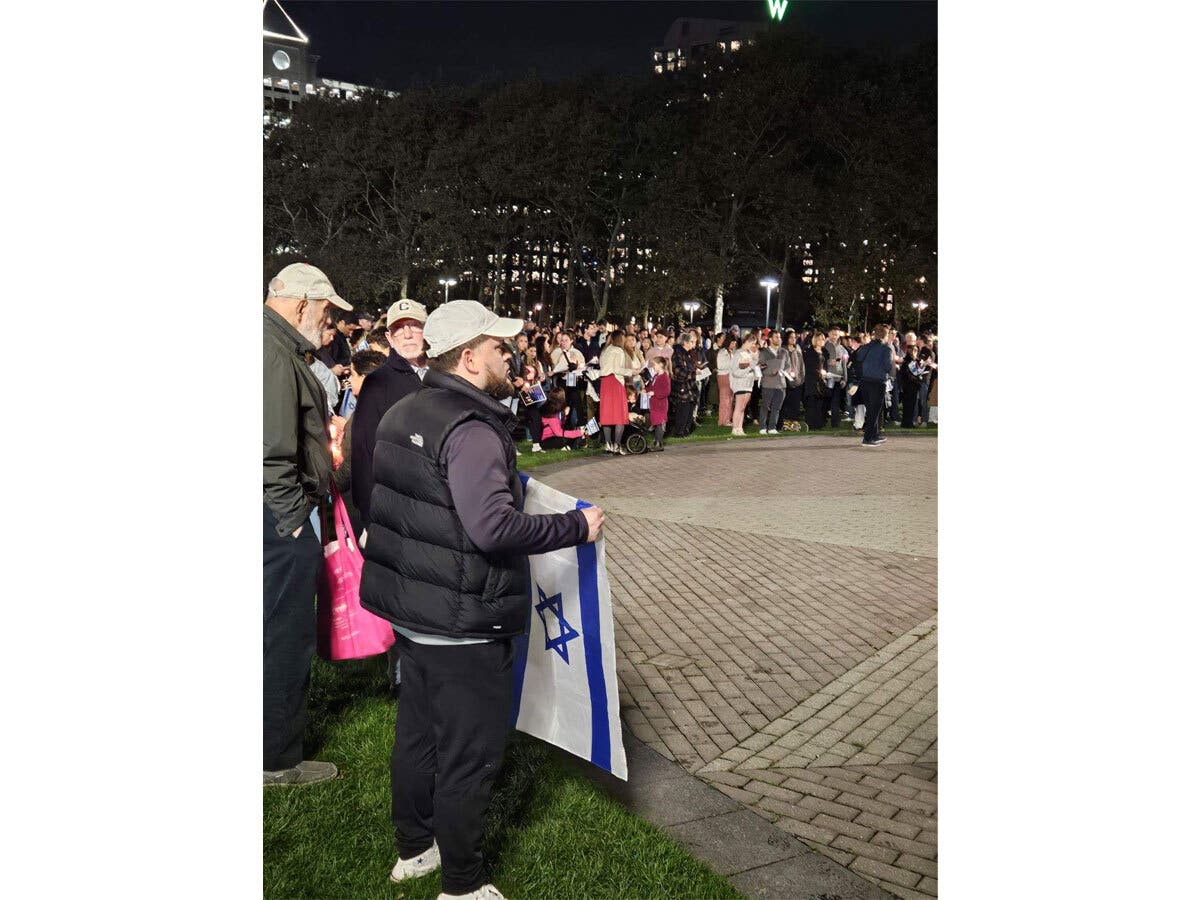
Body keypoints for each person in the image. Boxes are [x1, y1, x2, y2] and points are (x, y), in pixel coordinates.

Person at [359, 300, 604, 900]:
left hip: (417, 612)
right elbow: (492, 528)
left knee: (418, 737)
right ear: (469, 357)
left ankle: (415, 850)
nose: (509, 353)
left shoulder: (404, 408)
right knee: (468, 757)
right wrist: (577, 528)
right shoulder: (469, 428)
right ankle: (463, 886)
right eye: (499, 346)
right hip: (462, 618)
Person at [262, 261, 353, 786]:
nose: (332, 324)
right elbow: (271, 450)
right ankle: (277, 760)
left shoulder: (275, 346)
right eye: (326, 311)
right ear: (301, 304)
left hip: (273, 515)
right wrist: (293, 521)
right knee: (283, 636)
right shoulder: (273, 351)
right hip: (277, 520)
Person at [351, 298, 427, 531]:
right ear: (389, 338)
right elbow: (363, 450)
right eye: (398, 328)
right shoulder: (377, 382)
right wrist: (368, 513)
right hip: (397, 507)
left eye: (414, 325)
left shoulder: (444, 373)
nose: (407, 334)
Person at [598, 329, 638, 455]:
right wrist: (632, 372)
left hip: (605, 382)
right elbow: (617, 369)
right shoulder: (619, 351)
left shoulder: (605, 351)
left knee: (607, 414)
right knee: (620, 415)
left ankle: (608, 444)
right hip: (615, 382)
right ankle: (617, 444)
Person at [855, 324, 894, 446]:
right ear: (885, 335)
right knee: (874, 411)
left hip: (865, 381)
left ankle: (874, 435)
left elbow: (858, 358)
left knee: (871, 410)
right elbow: (887, 367)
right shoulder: (886, 349)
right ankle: (867, 439)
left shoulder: (866, 347)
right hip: (878, 382)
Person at [549, 331, 587, 428]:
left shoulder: (577, 352)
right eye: (562, 340)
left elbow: (582, 366)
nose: (564, 342)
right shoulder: (557, 352)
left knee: (576, 402)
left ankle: (581, 426)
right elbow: (553, 366)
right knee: (563, 403)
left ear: (571, 341)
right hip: (562, 380)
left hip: (572, 378)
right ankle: (563, 425)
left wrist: (577, 366)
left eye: (566, 340)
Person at [728, 334, 759, 436]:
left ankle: (740, 428)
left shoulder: (748, 354)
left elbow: (752, 367)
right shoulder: (738, 354)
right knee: (739, 407)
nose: (753, 346)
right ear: (747, 342)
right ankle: (735, 429)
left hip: (748, 384)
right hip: (740, 384)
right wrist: (750, 368)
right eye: (753, 343)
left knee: (743, 408)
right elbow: (735, 372)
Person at [669, 332, 699, 437]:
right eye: (691, 342)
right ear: (685, 342)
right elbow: (679, 371)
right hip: (682, 386)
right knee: (683, 410)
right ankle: (679, 431)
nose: (693, 344)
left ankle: (685, 430)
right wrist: (694, 374)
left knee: (689, 409)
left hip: (689, 386)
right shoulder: (677, 353)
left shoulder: (687, 354)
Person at [758, 330, 787, 434]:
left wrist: (788, 372)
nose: (779, 339)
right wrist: (770, 371)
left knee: (776, 407)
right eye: (776, 337)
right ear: (770, 339)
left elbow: (787, 366)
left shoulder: (784, 352)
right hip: (768, 384)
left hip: (781, 384)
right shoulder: (764, 352)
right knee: (765, 406)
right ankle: (762, 427)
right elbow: (760, 367)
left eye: (779, 337)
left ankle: (772, 427)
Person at [822, 327, 849, 428]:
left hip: (838, 377)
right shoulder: (824, 346)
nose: (835, 336)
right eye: (833, 334)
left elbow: (844, 364)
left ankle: (835, 423)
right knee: (826, 400)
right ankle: (822, 419)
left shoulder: (841, 348)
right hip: (827, 377)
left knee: (835, 401)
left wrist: (844, 378)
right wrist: (828, 362)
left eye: (837, 334)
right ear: (829, 334)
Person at [645, 355, 671, 450]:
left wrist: (655, 393)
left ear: (660, 365)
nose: (653, 367)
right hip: (655, 403)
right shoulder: (656, 376)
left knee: (659, 423)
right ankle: (656, 441)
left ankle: (659, 443)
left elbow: (666, 391)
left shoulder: (664, 377)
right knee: (656, 423)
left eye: (654, 365)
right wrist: (646, 390)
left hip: (660, 404)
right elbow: (652, 386)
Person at [803, 332, 828, 430]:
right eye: (820, 339)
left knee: (820, 403)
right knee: (812, 402)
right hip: (812, 380)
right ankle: (811, 423)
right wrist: (818, 372)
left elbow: (824, 364)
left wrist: (824, 373)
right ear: (815, 340)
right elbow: (808, 366)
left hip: (821, 380)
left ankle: (819, 423)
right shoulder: (810, 352)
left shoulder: (824, 352)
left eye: (823, 339)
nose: (822, 341)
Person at [780, 329, 805, 426]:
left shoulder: (797, 351)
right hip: (785, 380)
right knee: (786, 402)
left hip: (797, 381)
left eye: (795, 337)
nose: (793, 339)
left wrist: (801, 378)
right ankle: (786, 421)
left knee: (795, 402)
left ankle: (794, 420)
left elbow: (801, 366)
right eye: (791, 337)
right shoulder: (782, 350)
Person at [714, 332, 734, 427]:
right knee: (724, 399)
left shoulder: (731, 352)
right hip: (723, 376)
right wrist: (732, 365)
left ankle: (728, 419)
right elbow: (720, 366)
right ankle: (723, 420)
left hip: (730, 376)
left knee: (730, 398)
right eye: (732, 343)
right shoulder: (722, 352)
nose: (734, 345)